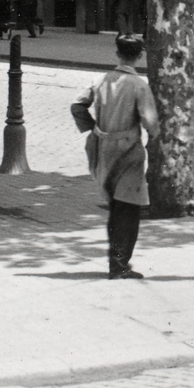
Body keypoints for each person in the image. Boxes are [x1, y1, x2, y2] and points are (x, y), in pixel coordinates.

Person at [71, 34, 160, 279]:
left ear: (117, 54)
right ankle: (119, 264)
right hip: (128, 151)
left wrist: (91, 127)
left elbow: (77, 106)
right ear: (139, 56)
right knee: (128, 209)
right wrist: (156, 140)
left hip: (102, 148)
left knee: (115, 206)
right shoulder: (139, 85)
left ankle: (117, 261)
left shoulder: (99, 80)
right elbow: (150, 123)